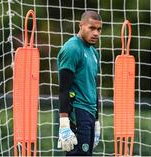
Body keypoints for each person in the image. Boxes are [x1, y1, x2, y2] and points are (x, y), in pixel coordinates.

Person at [57, 10, 102, 156]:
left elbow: (94, 87)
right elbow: (64, 88)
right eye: (91, 28)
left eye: (99, 29)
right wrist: (64, 122)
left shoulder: (94, 53)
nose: (96, 33)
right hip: (77, 112)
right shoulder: (72, 48)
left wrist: (96, 120)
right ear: (81, 26)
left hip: (89, 114)